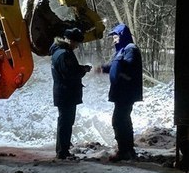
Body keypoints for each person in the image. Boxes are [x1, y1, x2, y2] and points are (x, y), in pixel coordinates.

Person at [99, 23, 143, 162]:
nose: (114, 39)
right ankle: (127, 149)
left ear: (123, 36)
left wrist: (119, 74)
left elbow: (127, 67)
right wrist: (102, 69)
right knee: (123, 120)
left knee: (118, 121)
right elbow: (115, 66)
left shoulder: (131, 49)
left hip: (126, 92)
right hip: (121, 92)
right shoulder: (123, 50)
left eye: (116, 36)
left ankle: (124, 151)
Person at [50, 27, 92, 160]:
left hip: (63, 92)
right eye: (76, 43)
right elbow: (69, 74)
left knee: (65, 121)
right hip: (66, 93)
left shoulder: (58, 51)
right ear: (69, 40)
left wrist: (81, 68)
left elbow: (69, 69)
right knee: (66, 122)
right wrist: (83, 71)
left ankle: (62, 149)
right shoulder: (64, 54)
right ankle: (62, 151)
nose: (77, 46)